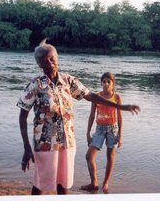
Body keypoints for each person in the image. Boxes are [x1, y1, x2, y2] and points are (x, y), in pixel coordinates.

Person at [17, 40, 140, 195]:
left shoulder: (68, 81)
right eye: (44, 60)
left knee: (64, 185)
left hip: (67, 142)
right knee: (41, 185)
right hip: (45, 144)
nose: (49, 63)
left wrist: (120, 106)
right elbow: (23, 115)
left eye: (52, 58)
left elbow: (91, 96)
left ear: (57, 58)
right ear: (38, 64)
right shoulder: (35, 85)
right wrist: (26, 147)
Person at [81, 72, 123, 194]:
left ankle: (105, 182)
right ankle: (94, 183)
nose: (105, 84)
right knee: (89, 156)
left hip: (113, 130)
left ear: (113, 84)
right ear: (101, 83)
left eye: (108, 82)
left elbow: (120, 117)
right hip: (99, 130)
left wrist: (120, 135)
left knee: (110, 156)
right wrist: (87, 133)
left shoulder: (117, 97)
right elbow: (91, 115)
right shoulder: (96, 96)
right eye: (103, 81)